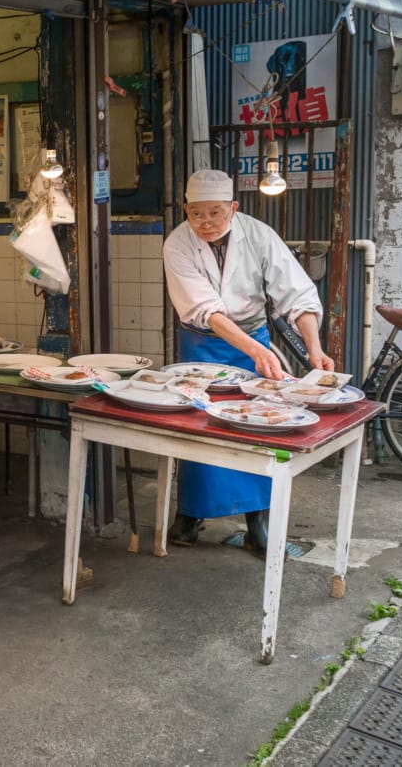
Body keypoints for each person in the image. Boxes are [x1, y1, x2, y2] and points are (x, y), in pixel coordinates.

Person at [162, 169, 334, 554]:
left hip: (254, 340)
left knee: (256, 431)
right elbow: (205, 310)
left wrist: (314, 348)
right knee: (200, 430)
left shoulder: (259, 235)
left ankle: (258, 522)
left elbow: (297, 294)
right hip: (201, 346)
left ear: (234, 208)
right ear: (186, 209)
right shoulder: (176, 244)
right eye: (196, 214)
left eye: (216, 213)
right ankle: (189, 516)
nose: (205, 223)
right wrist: (257, 352)